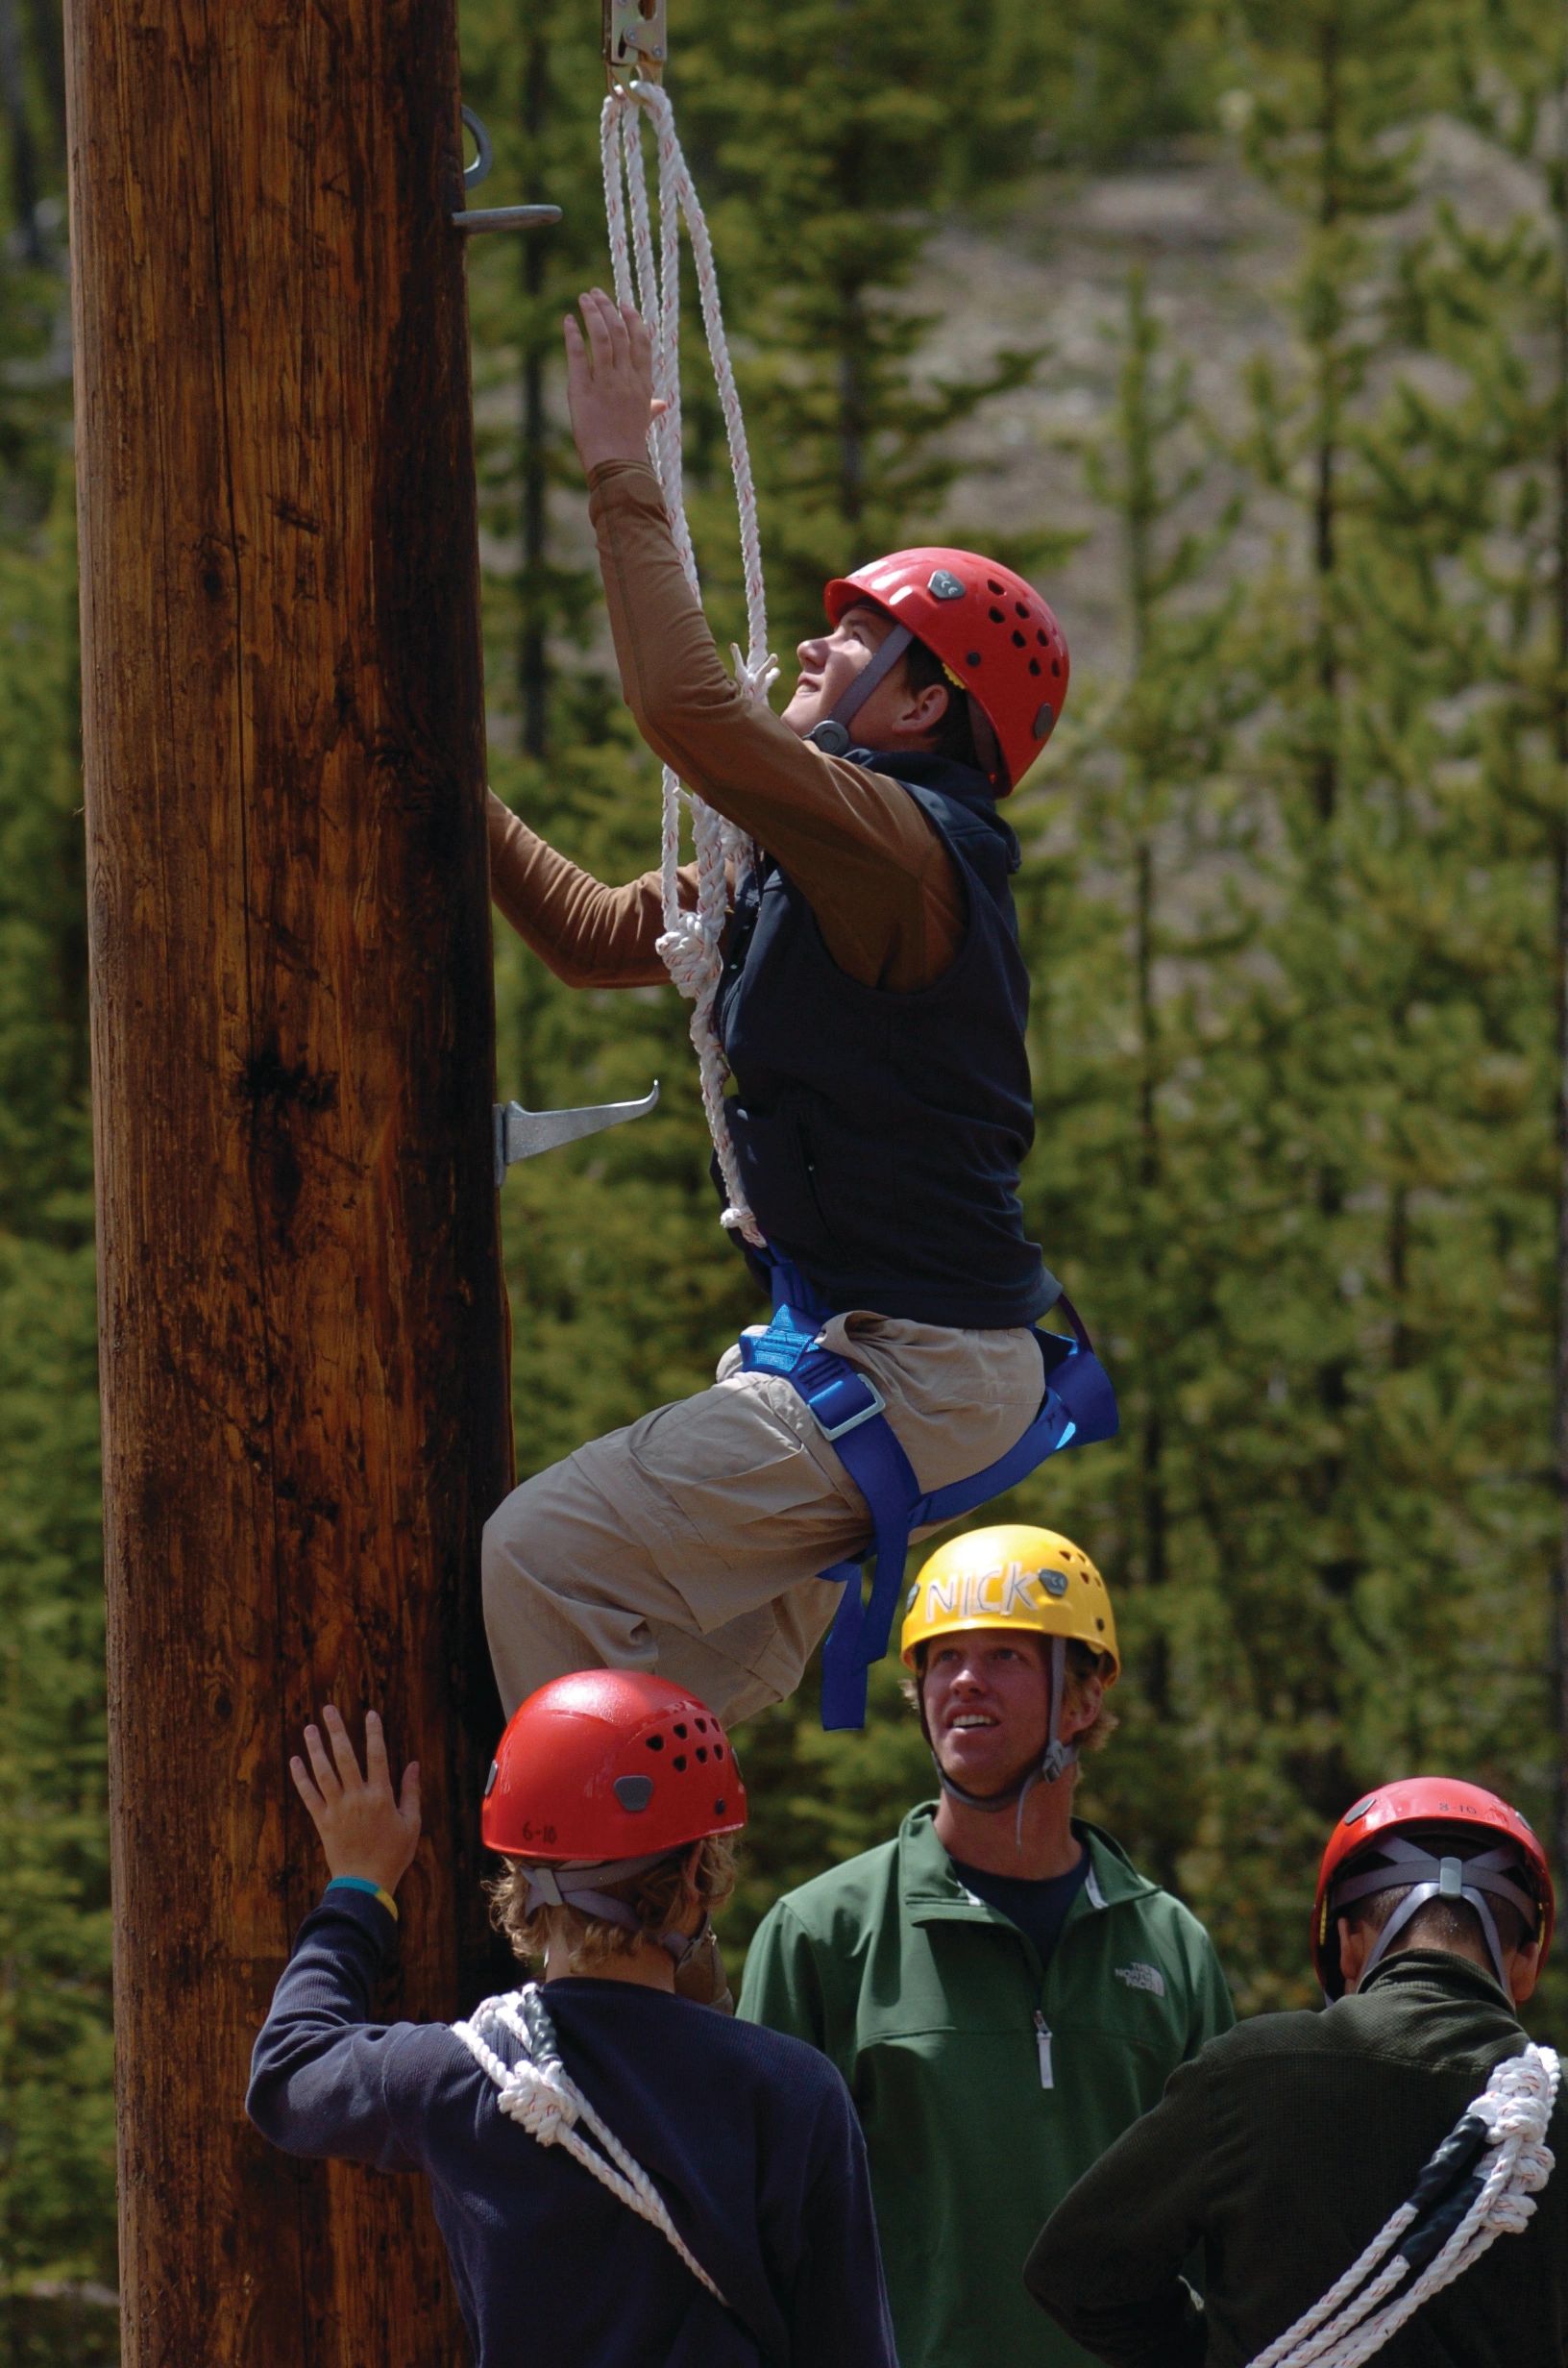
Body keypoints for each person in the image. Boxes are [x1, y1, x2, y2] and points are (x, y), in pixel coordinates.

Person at [480, 287, 1108, 1739]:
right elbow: (586, 935)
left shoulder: (895, 850)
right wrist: (424, 766)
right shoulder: (818, 869)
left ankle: (589, 1931)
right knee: (653, 1708)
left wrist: (617, 475)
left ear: (924, 707)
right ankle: (643, 1923)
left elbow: (691, 714)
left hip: (911, 1367)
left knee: (541, 1556)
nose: (815, 654)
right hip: (884, 1360)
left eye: (855, 641)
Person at [246, 1676, 898, 2368]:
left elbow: (288, 2072)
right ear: (698, 1873)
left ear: (523, 1878)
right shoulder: (792, 2091)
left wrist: (359, 1887)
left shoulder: (460, 2076)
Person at [737, 1521, 1233, 2368]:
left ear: (1082, 1700)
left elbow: (1224, 2234)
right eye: (943, 1657)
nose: (965, 1680)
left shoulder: (1172, 1947)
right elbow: (749, 2232)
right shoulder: (823, 1936)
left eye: (1005, 1654)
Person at [1025, 1775, 1568, 2368]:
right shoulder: (1550, 2112)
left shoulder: (1248, 2073)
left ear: (1345, 1946)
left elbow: (1074, 2272)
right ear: (1525, 1966)